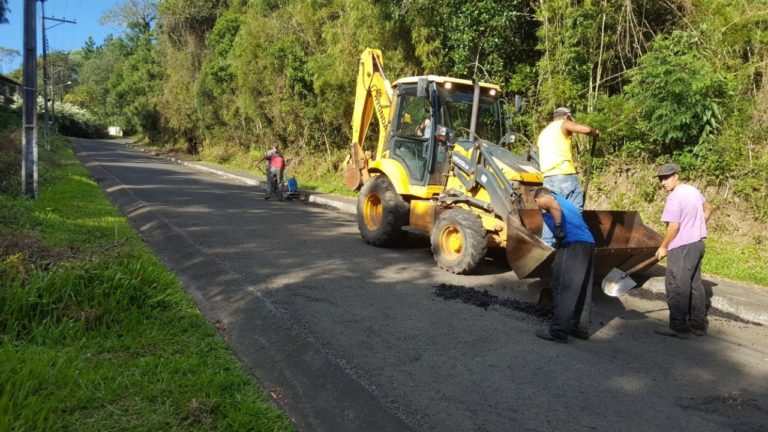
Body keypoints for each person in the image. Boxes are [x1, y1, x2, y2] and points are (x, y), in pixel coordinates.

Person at [653, 163, 713, 339]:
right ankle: (698, 325)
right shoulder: (693, 190)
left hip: (681, 247)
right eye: (661, 179)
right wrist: (698, 225)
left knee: (676, 286)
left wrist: (664, 246)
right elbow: (709, 208)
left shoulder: (674, 197)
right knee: (695, 285)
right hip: (697, 244)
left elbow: (674, 226)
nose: (663, 183)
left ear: (676, 176)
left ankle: (678, 327)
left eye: (666, 178)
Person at [532, 187, 595, 343]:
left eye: (536, 203)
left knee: (563, 286)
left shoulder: (547, 198)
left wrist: (559, 227)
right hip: (588, 244)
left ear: (538, 199)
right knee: (582, 289)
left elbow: (552, 204)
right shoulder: (567, 202)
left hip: (572, 243)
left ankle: (558, 331)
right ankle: (579, 328)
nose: (538, 206)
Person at [537, 107, 600, 246]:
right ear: (566, 116)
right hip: (564, 177)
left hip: (548, 178)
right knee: (574, 211)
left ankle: (546, 246)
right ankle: (572, 243)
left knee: (550, 211)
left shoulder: (543, 133)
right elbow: (586, 130)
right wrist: (595, 132)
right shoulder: (563, 124)